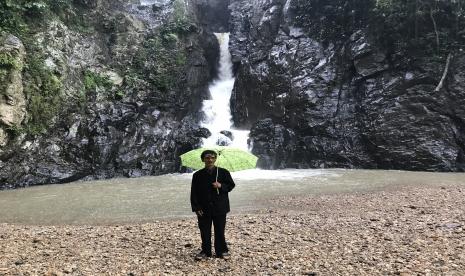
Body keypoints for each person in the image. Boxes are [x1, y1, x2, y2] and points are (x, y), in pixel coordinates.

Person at [190, 149, 235, 260]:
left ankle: (222, 251)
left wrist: (221, 186)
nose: (210, 159)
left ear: (215, 159)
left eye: (212, 157)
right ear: (203, 160)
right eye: (207, 157)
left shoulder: (223, 172)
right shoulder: (197, 175)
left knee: (219, 230)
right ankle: (206, 252)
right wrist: (196, 207)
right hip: (203, 208)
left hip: (220, 206)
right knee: (204, 231)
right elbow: (193, 192)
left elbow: (231, 186)